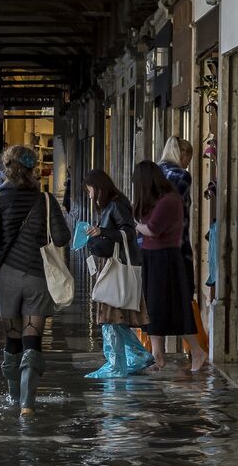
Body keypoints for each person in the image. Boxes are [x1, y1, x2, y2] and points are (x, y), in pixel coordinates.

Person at [0, 145, 70, 415]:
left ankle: (13, 396)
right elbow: (61, 238)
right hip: (38, 277)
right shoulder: (46, 200)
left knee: (12, 340)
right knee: (32, 339)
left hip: (7, 278)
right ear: (33, 168)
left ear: (6, 167)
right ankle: (27, 405)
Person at [133, 160, 207, 373]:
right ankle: (157, 354)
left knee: (175, 308)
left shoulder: (168, 200)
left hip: (165, 259)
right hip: (152, 257)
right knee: (152, 307)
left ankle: (197, 351)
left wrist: (135, 225)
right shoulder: (159, 199)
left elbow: (153, 229)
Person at [82, 169, 154, 378]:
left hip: (118, 267)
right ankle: (138, 355)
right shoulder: (109, 205)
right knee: (115, 318)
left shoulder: (116, 204)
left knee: (110, 318)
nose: (90, 195)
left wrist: (102, 232)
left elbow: (129, 232)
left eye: (90, 190)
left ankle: (116, 364)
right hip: (112, 266)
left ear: (99, 188)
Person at [157, 136, 195, 286]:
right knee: (184, 290)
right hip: (177, 243)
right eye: (188, 160)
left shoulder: (154, 172)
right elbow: (174, 209)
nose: (186, 165)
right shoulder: (182, 175)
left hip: (151, 243)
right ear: (182, 155)